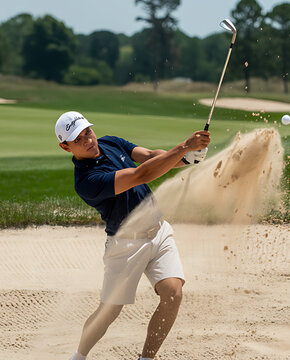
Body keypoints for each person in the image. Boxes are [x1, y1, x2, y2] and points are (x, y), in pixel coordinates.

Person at [55, 111, 210, 360]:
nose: (89, 140)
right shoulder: (86, 181)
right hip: (126, 245)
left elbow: (149, 157)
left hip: (159, 231)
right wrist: (183, 147)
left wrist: (187, 157)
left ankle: (146, 358)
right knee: (109, 312)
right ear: (65, 147)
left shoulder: (110, 142)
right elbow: (141, 174)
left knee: (173, 293)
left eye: (88, 132)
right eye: (79, 139)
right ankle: (79, 356)